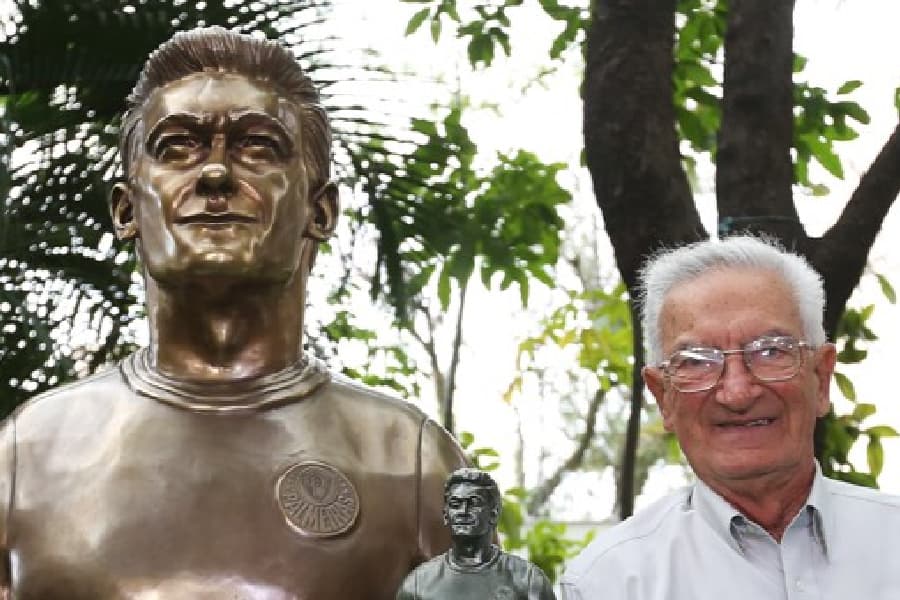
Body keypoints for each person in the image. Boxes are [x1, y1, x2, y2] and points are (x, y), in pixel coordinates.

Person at [0, 27, 467, 598]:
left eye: (258, 146)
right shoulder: (26, 455)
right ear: (126, 210)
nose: (216, 174)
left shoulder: (408, 461)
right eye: (176, 146)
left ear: (320, 211)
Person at [561, 235, 900, 599]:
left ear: (821, 379)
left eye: (770, 351)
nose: (737, 392)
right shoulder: (611, 584)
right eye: (696, 361)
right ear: (664, 397)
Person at [396, 468, 556, 599]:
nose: (463, 512)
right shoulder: (417, 585)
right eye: (456, 504)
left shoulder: (528, 582)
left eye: (474, 503)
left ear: (494, 514)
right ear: (446, 515)